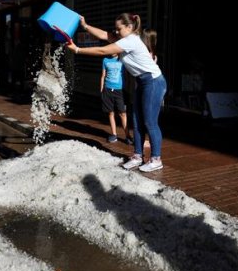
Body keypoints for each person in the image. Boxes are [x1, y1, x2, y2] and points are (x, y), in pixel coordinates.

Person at [65, 13, 167, 172]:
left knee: (149, 122)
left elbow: (102, 51)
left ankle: (156, 159)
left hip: (153, 81)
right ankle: (138, 156)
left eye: (119, 29)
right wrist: (85, 26)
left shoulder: (131, 41)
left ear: (129, 27)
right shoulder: (123, 39)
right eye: (116, 29)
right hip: (142, 82)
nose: (116, 32)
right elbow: (104, 35)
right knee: (137, 121)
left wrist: (77, 50)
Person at [101, 54, 132, 144]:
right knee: (111, 113)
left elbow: (127, 75)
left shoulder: (122, 60)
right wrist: (101, 90)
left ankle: (128, 136)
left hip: (119, 90)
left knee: (122, 113)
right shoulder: (105, 60)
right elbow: (103, 75)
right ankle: (114, 135)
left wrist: (128, 88)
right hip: (107, 89)